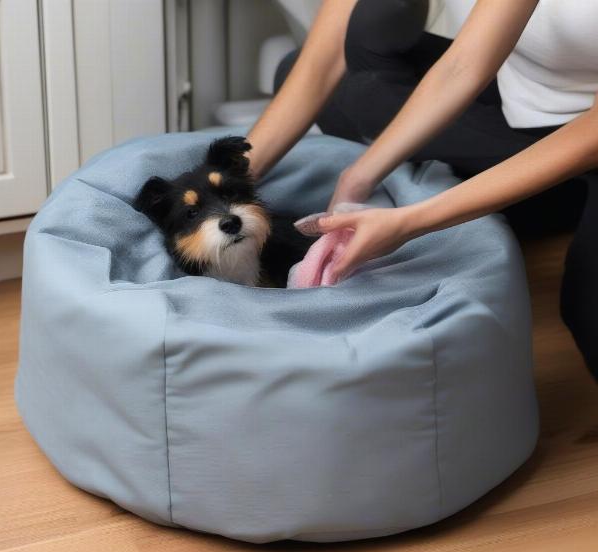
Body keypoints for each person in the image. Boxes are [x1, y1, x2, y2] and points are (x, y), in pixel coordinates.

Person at [245, 0, 598, 380]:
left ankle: (559, 197)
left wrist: (412, 220)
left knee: (586, 305)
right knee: (350, 86)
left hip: (584, 136)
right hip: (526, 117)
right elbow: (462, 65)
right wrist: (359, 175)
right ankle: (531, 197)